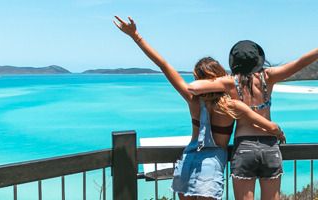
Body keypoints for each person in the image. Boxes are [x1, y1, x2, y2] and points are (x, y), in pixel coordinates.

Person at [113, 16, 285, 200]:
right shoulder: (232, 105)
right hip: (211, 165)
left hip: (188, 159)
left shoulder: (192, 100)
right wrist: (279, 133)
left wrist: (136, 36)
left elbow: (164, 65)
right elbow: (270, 126)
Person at [189, 24, 318, 200]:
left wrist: (218, 79)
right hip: (270, 146)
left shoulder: (231, 82)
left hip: (244, 147)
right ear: (258, 60)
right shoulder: (268, 77)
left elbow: (193, 87)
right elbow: (301, 63)